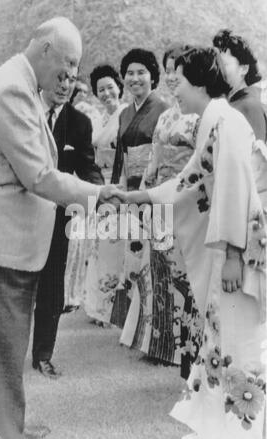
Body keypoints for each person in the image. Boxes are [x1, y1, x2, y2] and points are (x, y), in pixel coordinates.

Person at [0, 17, 121, 439]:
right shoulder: (13, 89)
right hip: (5, 241)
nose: (71, 76)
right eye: (68, 65)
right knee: (3, 348)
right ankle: (1, 437)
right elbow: (38, 174)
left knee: (10, 343)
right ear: (45, 51)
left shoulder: (20, 81)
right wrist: (97, 193)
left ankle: (6, 427)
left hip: (12, 239)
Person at [115, 47, 266, 439]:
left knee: (239, 339)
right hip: (230, 248)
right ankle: (220, 428)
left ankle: (240, 434)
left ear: (200, 80)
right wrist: (141, 197)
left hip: (241, 251)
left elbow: (238, 188)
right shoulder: (212, 120)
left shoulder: (226, 121)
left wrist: (235, 254)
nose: (174, 90)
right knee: (221, 336)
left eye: (178, 81)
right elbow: (188, 181)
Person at [120, 44, 201, 376]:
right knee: (159, 270)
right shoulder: (167, 116)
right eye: (168, 70)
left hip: (187, 201)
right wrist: (142, 196)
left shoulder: (199, 115)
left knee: (185, 275)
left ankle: (186, 350)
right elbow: (153, 159)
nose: (171, 77)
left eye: (175, 71)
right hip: (160, 200)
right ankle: (161, 344)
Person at [32, 70, 104, 379]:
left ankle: (43, 354)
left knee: (52, 283)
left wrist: (102, 197)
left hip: (56, 214)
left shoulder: (79, 122)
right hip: (17, 211)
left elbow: (87, 167)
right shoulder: (23, 113)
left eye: (70, 80)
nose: (64, 85)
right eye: (58, 77)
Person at [110, 48, 167, 328]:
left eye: (141, 72)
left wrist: (145, 188)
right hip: (129, 189)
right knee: (132, 255)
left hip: (153, 189)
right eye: (129, 73)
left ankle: (154, 327)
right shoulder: (123, 114)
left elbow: (163, 156)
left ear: (152, 76)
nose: (135, 78)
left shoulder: (164, 110)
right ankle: (134, 326)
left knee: (153, 257)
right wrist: (119, 190)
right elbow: (121, 157)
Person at [78, 64, 128, 325]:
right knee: (99, 246)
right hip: (100, 184)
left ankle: (113, 310)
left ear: (119, 87)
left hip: (118, 184)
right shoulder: (99, 118)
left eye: (110, 87)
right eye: (101, 90)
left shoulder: (125, 115)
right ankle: (99, 308)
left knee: (114, 247)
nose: (107, 93)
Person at [213, 29, 267, 141]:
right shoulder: (234, 102)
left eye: (223, 64)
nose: (216, 70)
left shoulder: (249, 106)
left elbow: (256, 156)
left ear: (243, 69)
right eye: (215, 64)